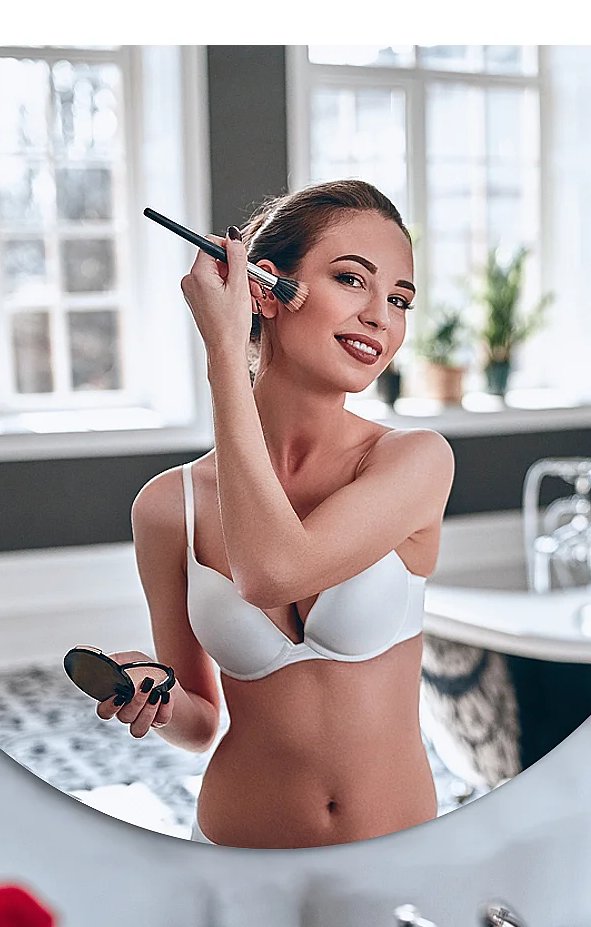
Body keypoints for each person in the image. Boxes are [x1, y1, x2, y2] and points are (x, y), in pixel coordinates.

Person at [97, 180, 454, 849]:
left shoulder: (416, 462)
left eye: (400, 299)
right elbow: (200, 724)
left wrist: (227, 354)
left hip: (394, 851)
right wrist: (151, 696)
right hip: (234, 845)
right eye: (353, 279)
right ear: (264, 289)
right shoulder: (169, 505)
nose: (382, 316)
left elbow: (271, 571)